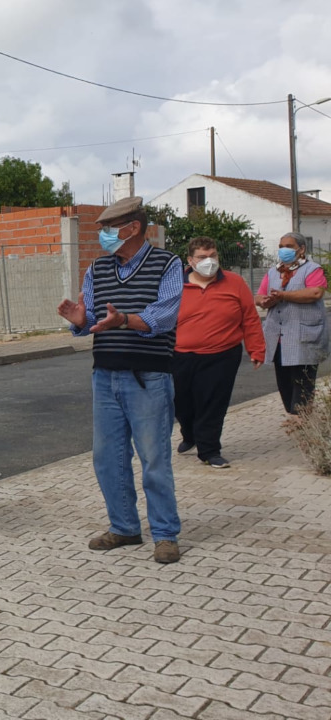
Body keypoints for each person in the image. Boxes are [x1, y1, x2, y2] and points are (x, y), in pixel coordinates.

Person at [56, 196, 184, 564]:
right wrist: (81, 319)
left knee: (154, 458)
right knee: (107, 457)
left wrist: (125, 319)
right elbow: (93, 318)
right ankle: (125, 527)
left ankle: (165, 533)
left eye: (110, 229)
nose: (104, 236)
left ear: (133, 229)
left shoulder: (167, 263)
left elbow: (165, 315)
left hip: (149, 376)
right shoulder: (97, 269)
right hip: (105, 376)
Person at [173, 236, 265, 469]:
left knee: (213, 403)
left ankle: (209, 450)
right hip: (180, 355)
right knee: (180, 402)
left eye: (213, 255)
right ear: (190, 260)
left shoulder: (235, 283)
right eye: (203, 257)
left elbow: (250, 318)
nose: (209, 261)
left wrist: (256, 349)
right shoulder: (174, 284)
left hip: (222, 355)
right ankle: (190, 433)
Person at [256, 232, 328, 414]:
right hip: (279, 339)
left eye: (288, 246)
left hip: (303, 337)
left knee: (302, 385)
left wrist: (283, 296)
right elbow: (259, 295)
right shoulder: (274, 271)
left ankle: (302, 424)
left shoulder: (312, 269)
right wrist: (263, 301)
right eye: (281, 246)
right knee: (285, 386)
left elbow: (315, 293)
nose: (283, 250)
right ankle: (297, 419)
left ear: (301, 249)